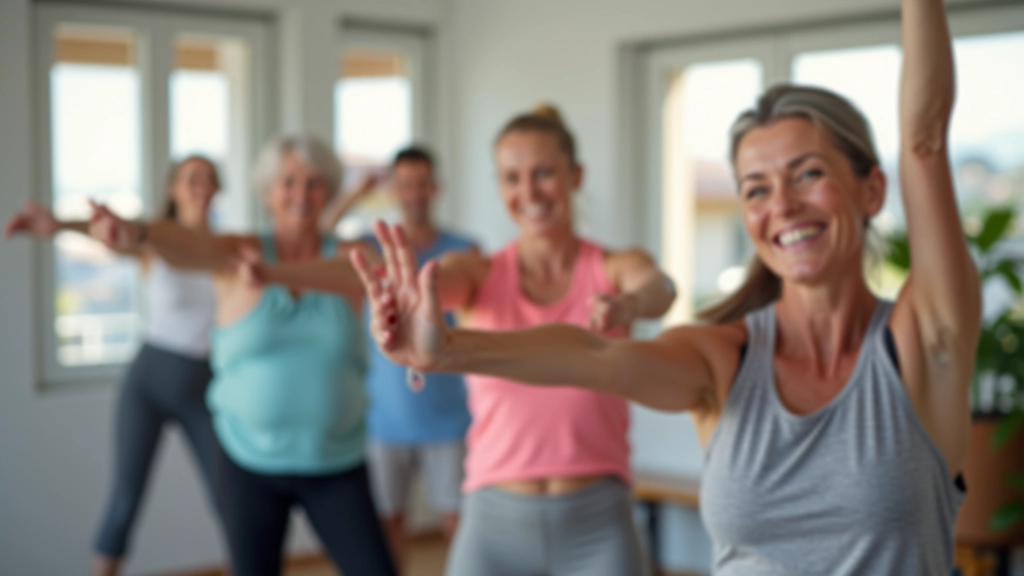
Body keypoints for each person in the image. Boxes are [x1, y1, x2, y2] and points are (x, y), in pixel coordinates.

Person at [352, 0, 979, 573]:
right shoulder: (723, 356)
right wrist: (447, 353)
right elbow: (598, 357)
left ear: (872, 189)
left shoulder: (925, 344)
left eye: (808, 174)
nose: (782, 205)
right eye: (757, 188)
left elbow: (924, 144)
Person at [326, 105, 672, 576]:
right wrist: (411, 298)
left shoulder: (613, 268)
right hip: (493, 524)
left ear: (576, 175)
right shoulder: (481, 271)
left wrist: (631, 305)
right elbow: (442, 282)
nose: (528, 191)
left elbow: (659, 288)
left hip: (598, 522)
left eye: (544, 173)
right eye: (512, 178)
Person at [86, 136, 397, 576]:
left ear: (328, 192)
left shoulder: (354, 258)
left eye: (313, 183)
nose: (301, 194)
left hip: (335, 460)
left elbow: (356, 273)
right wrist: (141, 232)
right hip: (248, 463)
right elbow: (191, 244)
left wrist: (275, 273)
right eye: (288, 182)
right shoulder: (237, 254)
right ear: (267, 192)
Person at [4, 156, 224, 576]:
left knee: (232, 503)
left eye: (210, 179)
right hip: (150, 382)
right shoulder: (153, 241)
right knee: (124, 504)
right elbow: (113, 233)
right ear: (173, 189)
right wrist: (60, 226)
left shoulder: (227, 245)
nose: (202, 186)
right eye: (192, 178)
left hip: (204, 385)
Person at [359, 146, 477, 572]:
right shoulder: (368, 251)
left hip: (449, 416)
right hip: (385, 419)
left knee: (460, 522)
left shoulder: (464, 249)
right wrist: (357, 193)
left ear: (436, 187)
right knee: (387, 524)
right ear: (394, 188)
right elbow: (309, 237)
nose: (414, 193)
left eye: (422, 182)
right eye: (405, 183)